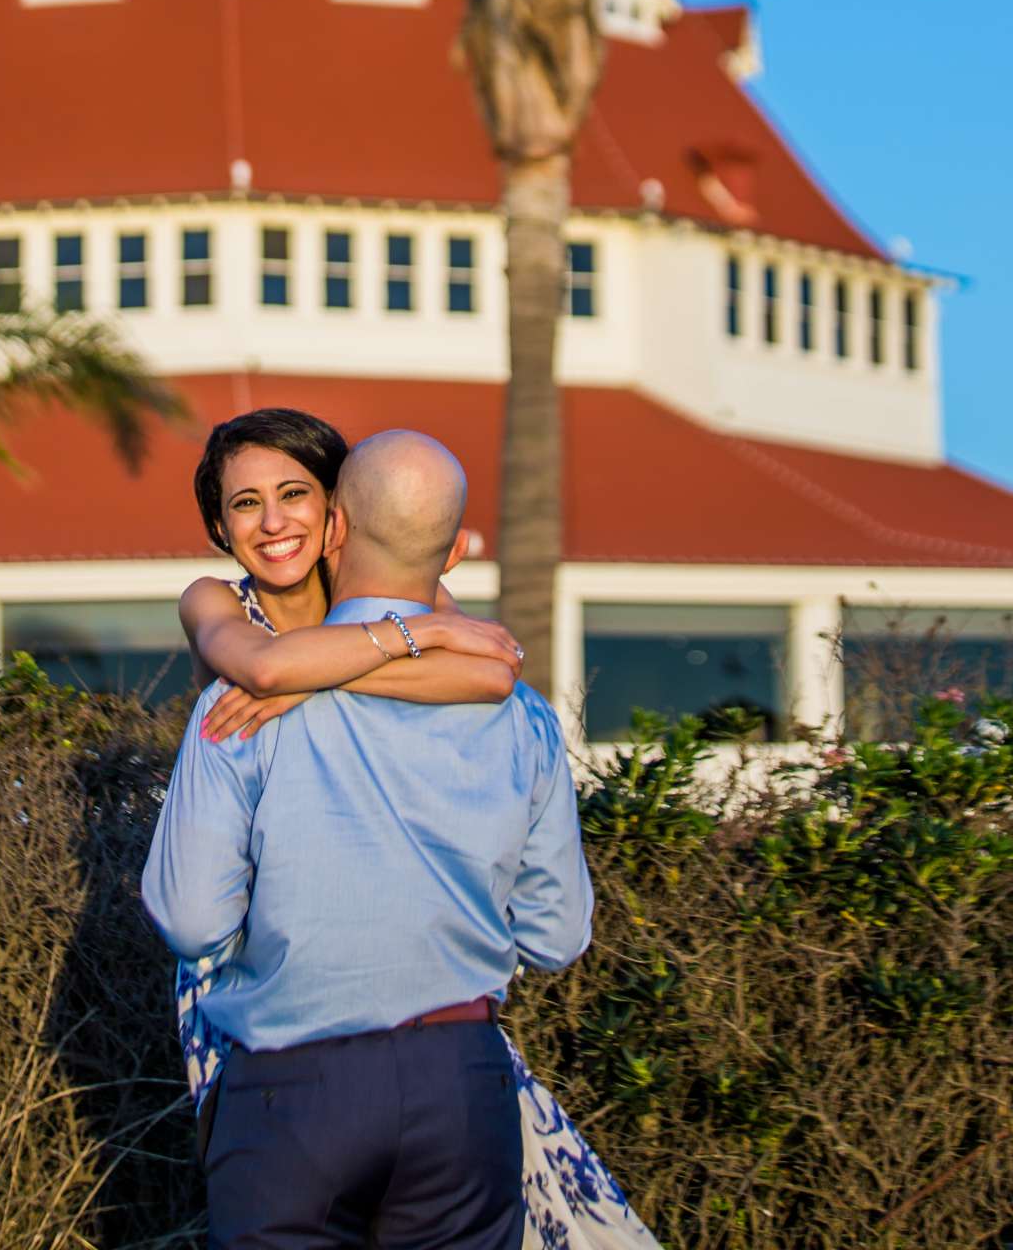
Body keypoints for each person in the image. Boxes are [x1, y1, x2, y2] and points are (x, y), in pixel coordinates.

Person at [146, 420, 661, 1249]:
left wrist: (319, 679)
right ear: (218, 527)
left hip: (290, 1083)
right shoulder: (227, 618)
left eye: (295, 496)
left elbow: (493, 668)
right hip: (457, 1073)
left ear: (337, 515)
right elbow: (483, 686)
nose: (274, 522)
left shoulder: (239, 710)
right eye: (244, 504)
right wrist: (328, 665)